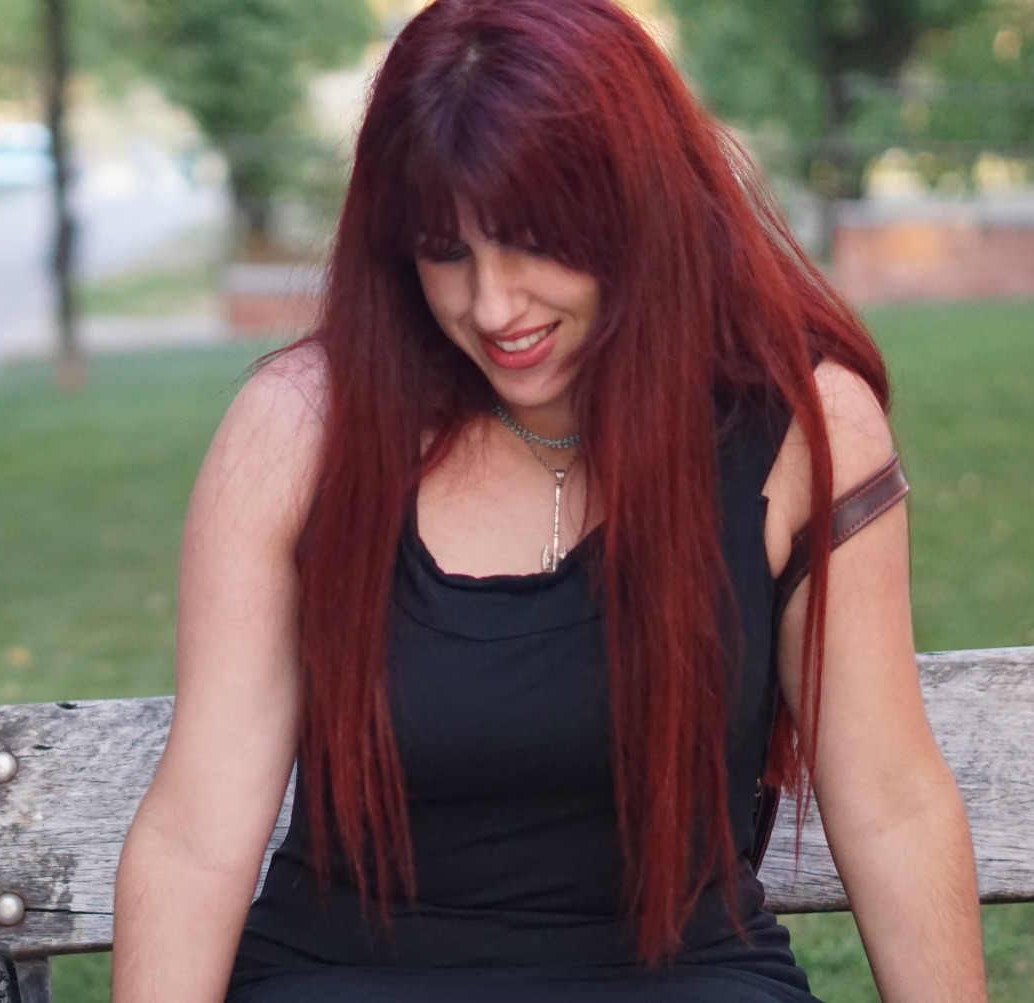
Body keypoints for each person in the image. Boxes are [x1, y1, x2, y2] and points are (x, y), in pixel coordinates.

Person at [112, 1, 986, 1000]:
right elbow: (197, 834)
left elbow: (890, 802)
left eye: (531, 240)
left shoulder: (802, 427)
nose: (491, 304)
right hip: (347, 978)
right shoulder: (300, 429)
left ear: (637, 204)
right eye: (445, 250)